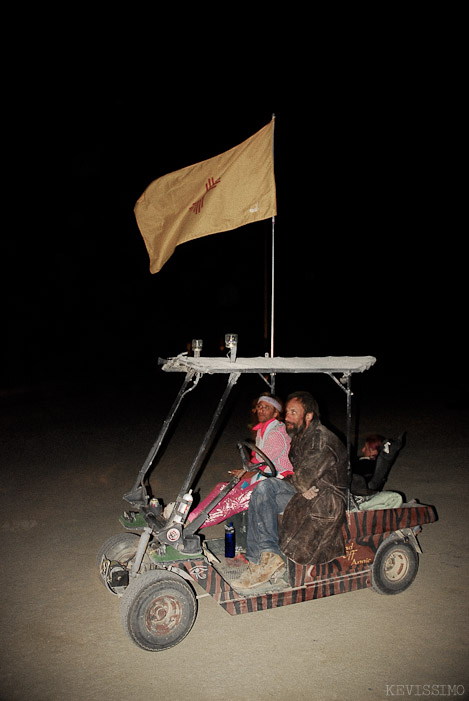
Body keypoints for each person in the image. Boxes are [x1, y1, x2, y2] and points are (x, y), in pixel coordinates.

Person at [232, 391, 347, 590]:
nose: (288, 417)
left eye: (294, 412)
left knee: (266, 489)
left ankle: (268, 558)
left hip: (325, 499)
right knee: (261, 491)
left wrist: (304, 486)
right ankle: (258, 560)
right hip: (307, 490)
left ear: (308, 416)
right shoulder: (301, 435)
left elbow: (303, 480)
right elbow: (299, 478)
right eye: (287, 412)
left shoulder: (320, 439)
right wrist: (301, 485)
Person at [186, 393, 294, 528]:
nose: (261, 410)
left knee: (237, 499)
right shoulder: (263, 430)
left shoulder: (276, 434)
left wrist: (245, 472)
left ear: (275, 412)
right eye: (259, 406)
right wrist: (245, 471)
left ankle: (192, 526)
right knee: (223, 487)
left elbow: (262, 464)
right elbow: (258, 462)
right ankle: (190, 518)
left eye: (266, 407)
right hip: (265, 476)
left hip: (280, 480)